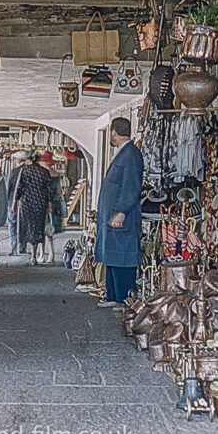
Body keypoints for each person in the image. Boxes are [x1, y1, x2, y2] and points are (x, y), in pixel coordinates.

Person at [95, 117, 143, 308]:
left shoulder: (131, 154)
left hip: (123, 217)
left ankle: (123, 298)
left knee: (122, 256)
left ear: (114, 131)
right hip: (113, 216)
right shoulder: (125, 153)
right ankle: (113, 296)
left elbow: (132, 187)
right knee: (113, 256)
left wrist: (121, 211)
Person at [13, 153, 52, 266]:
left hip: (26, 203)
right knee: (38, 228)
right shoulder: (44, 172)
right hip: (40, 203)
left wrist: (14, 203)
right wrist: (49, 205)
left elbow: (19, 188)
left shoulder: (25, 171)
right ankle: (35, 254)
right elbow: (49, 191)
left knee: (28, 227)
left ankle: (31, 254)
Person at [36, 150, 63, 264]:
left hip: (44, 203)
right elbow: (59, 190)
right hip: (55, 203)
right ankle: (51, 255)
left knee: (42, 230)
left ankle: (42, 254)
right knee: (50, 230)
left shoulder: (42, 174)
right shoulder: (56, 173)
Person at [6, 150, 31, 255]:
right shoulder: (30, 171)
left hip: (13, 202)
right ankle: (23, 246)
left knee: (12, 224)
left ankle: (14, 247)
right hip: (26, 202)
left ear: (18, 160)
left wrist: (7, 201)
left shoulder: (13, 172)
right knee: (24, 225)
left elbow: (8, 188)